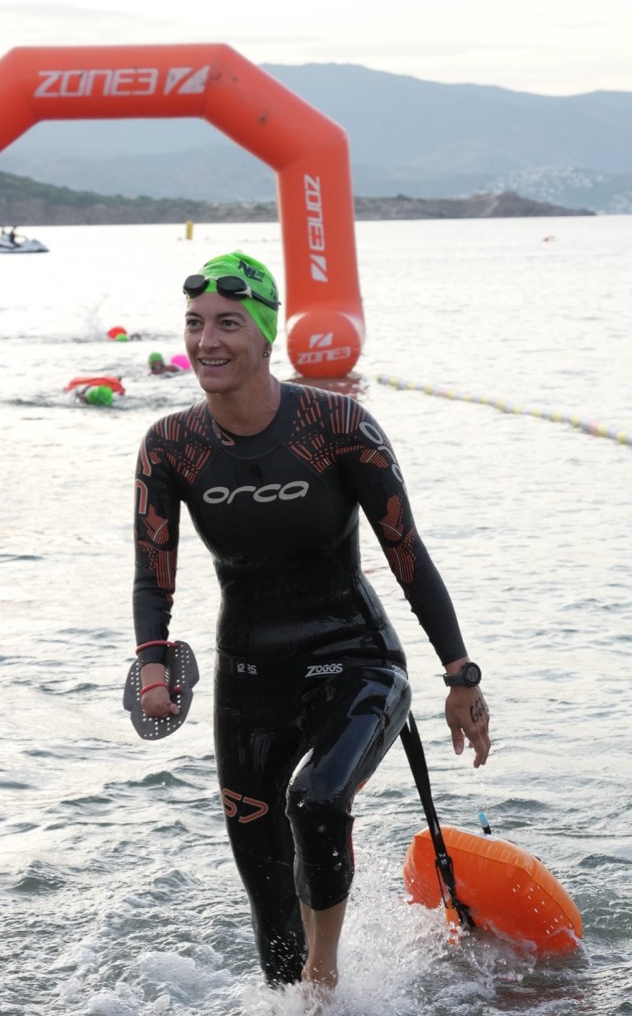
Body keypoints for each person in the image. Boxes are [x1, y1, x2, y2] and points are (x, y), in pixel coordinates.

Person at [131, 250, 490, 1004]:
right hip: (248, 677)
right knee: (270, 918)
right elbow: (153, 574)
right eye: (194, 324)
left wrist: (460, 675)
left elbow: (406, 553)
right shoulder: (171, 445)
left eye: (228, 324)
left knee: (318, 801)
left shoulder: (337, 424)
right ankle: (298, 987)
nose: (207, 341)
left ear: (266, 336)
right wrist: (153, 667)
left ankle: (326, 981)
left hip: (355, 657)